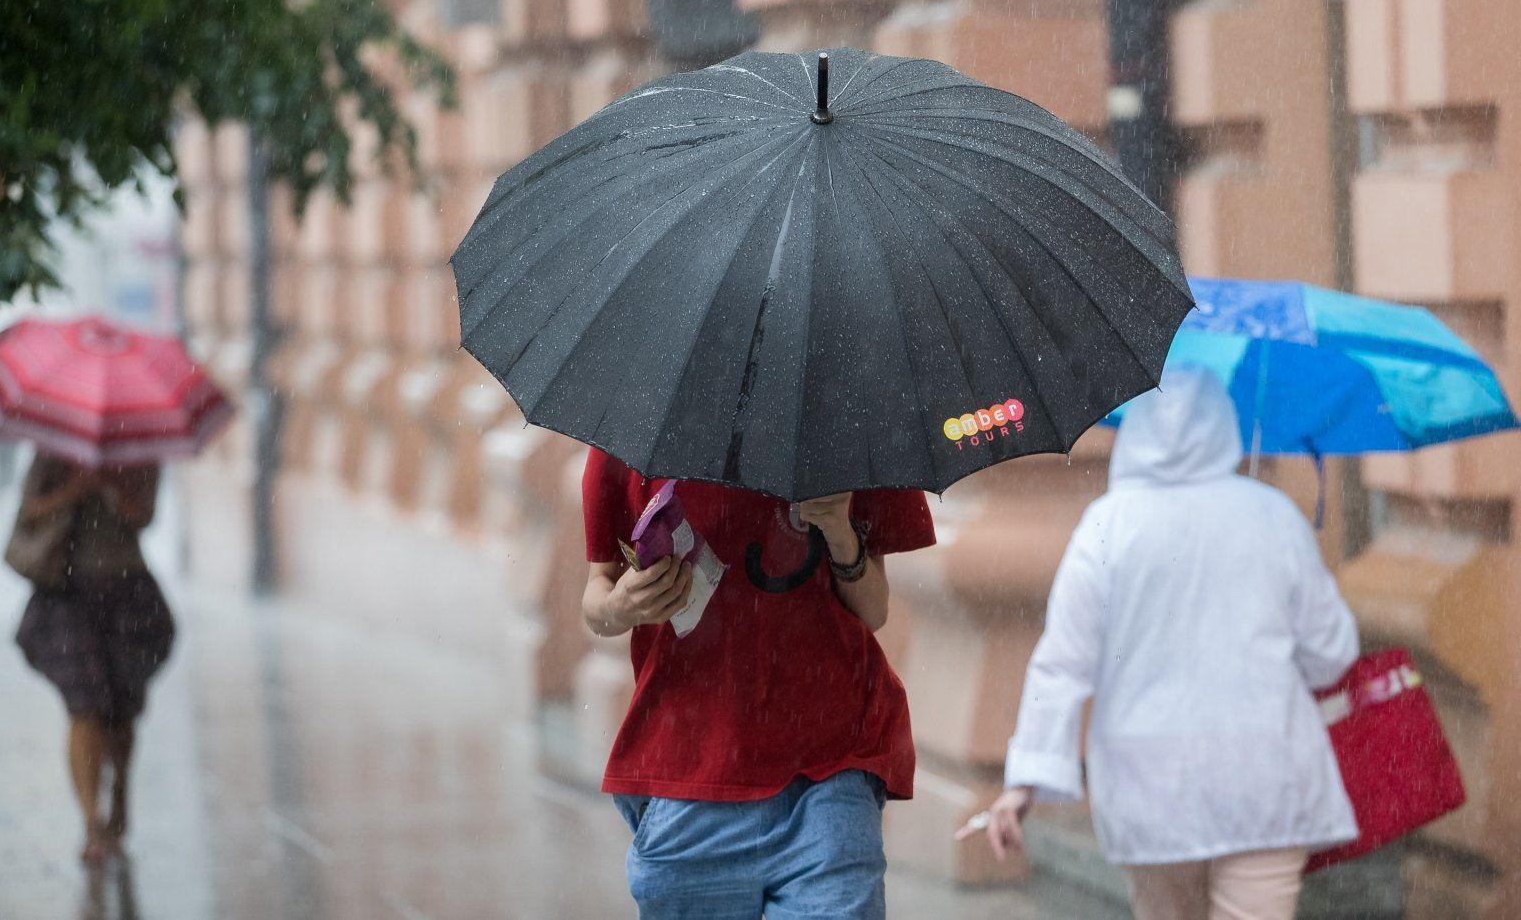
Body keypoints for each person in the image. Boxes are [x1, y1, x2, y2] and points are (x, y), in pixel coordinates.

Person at [959, 367, 1359, 920]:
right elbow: (1331, 654)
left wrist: (1025, 782)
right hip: (1263, 782)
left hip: (1150, 794)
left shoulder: (1106, 526)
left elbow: (1063, 665)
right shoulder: (1273, 517)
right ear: (1224, 425)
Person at [581, 449, 936, 919]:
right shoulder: (643, 422)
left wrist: (839, 530)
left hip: (832, 767)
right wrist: (621, 607)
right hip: (690, 770)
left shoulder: (850, 420)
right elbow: (598, 596)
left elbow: (874, 611)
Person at [11, 452, 174, 865]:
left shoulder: (141, 453)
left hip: (128, 590)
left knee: (121, 711)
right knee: (84, 706)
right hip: (67, 591)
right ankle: (91, 821)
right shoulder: (53, 451)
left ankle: (119, 790)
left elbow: (145, 517)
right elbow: (29, 511)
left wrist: (113, 486)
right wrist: (73, 490)